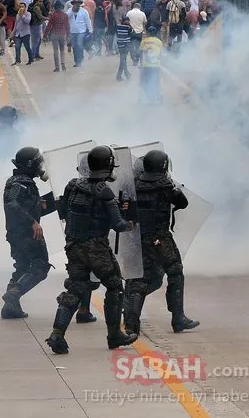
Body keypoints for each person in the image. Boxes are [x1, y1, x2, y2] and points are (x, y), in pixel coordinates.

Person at [45, 145, 138, 354]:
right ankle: (114, 336)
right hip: (96, 248)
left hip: (74, 245)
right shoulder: (104, 192)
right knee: (114, 287)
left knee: (75, 288)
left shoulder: (73, 185)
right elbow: (118, 225)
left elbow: (63, 210)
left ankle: (57, 335)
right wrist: (130, 222)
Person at [125, 149, 199, 336]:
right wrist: (174, 185)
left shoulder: (134, 185)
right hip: (160, 238)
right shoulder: (166, 186)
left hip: (139, 238)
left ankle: (131, 324)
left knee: (141, 280)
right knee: (175, 272)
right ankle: (178, 318)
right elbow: (182, 203)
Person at [1, 147, 53, 319]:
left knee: (22, 267)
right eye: (38, 163)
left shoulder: (23, 181)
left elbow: (22, 205)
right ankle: (14, 294)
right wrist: (32, 222)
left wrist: (39, 206)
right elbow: (12, 205)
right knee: (40, 267)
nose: (40, 166)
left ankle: (10, 307)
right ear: (30, 164)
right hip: (26, 234)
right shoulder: (19, 183)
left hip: (17, 234)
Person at [139, 26, 164, 103]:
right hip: (156, 65)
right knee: (156, 81)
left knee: (144, 81)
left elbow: (141, 52)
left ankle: (146, 96)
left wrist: (141, 63)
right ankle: (157, 95)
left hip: (146, 65)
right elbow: (161, 54)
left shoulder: (144, 41)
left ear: (148, 33)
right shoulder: (159, 42)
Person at [67, 0, 92, 67]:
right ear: (73, 4)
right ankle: (76, 61)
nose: (77, 5)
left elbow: (88, 21)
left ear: (80, 5)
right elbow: (66, 18)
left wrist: (90, 31)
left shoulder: (84, 11)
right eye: (75, 4)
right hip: (72, 32)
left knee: (79, 45)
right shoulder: (69, 11)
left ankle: (80, 61)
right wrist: (72, 11)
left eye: (78, 4)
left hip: (81, 32)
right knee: (74, 47)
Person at [45, 1, 70, 72]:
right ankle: (63, 64)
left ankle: (57, 67)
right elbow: (67, 26)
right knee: (62, 50)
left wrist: (45, 35)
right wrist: (68, 35)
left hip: (55, 34)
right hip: (63, 34)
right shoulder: (65, 15)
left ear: (55, 8)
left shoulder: (53, 15)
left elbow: (49, 26)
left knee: (55, 51)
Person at [115, 16, 133, 81]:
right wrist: (129, 25)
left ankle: (124, 74)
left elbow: (117, 34)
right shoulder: (128, 27)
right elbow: (131, 33)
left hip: (120, 45)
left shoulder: (118, 26)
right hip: (126, 46)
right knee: (123, 61)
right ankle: (123, 75)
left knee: (123, 60)